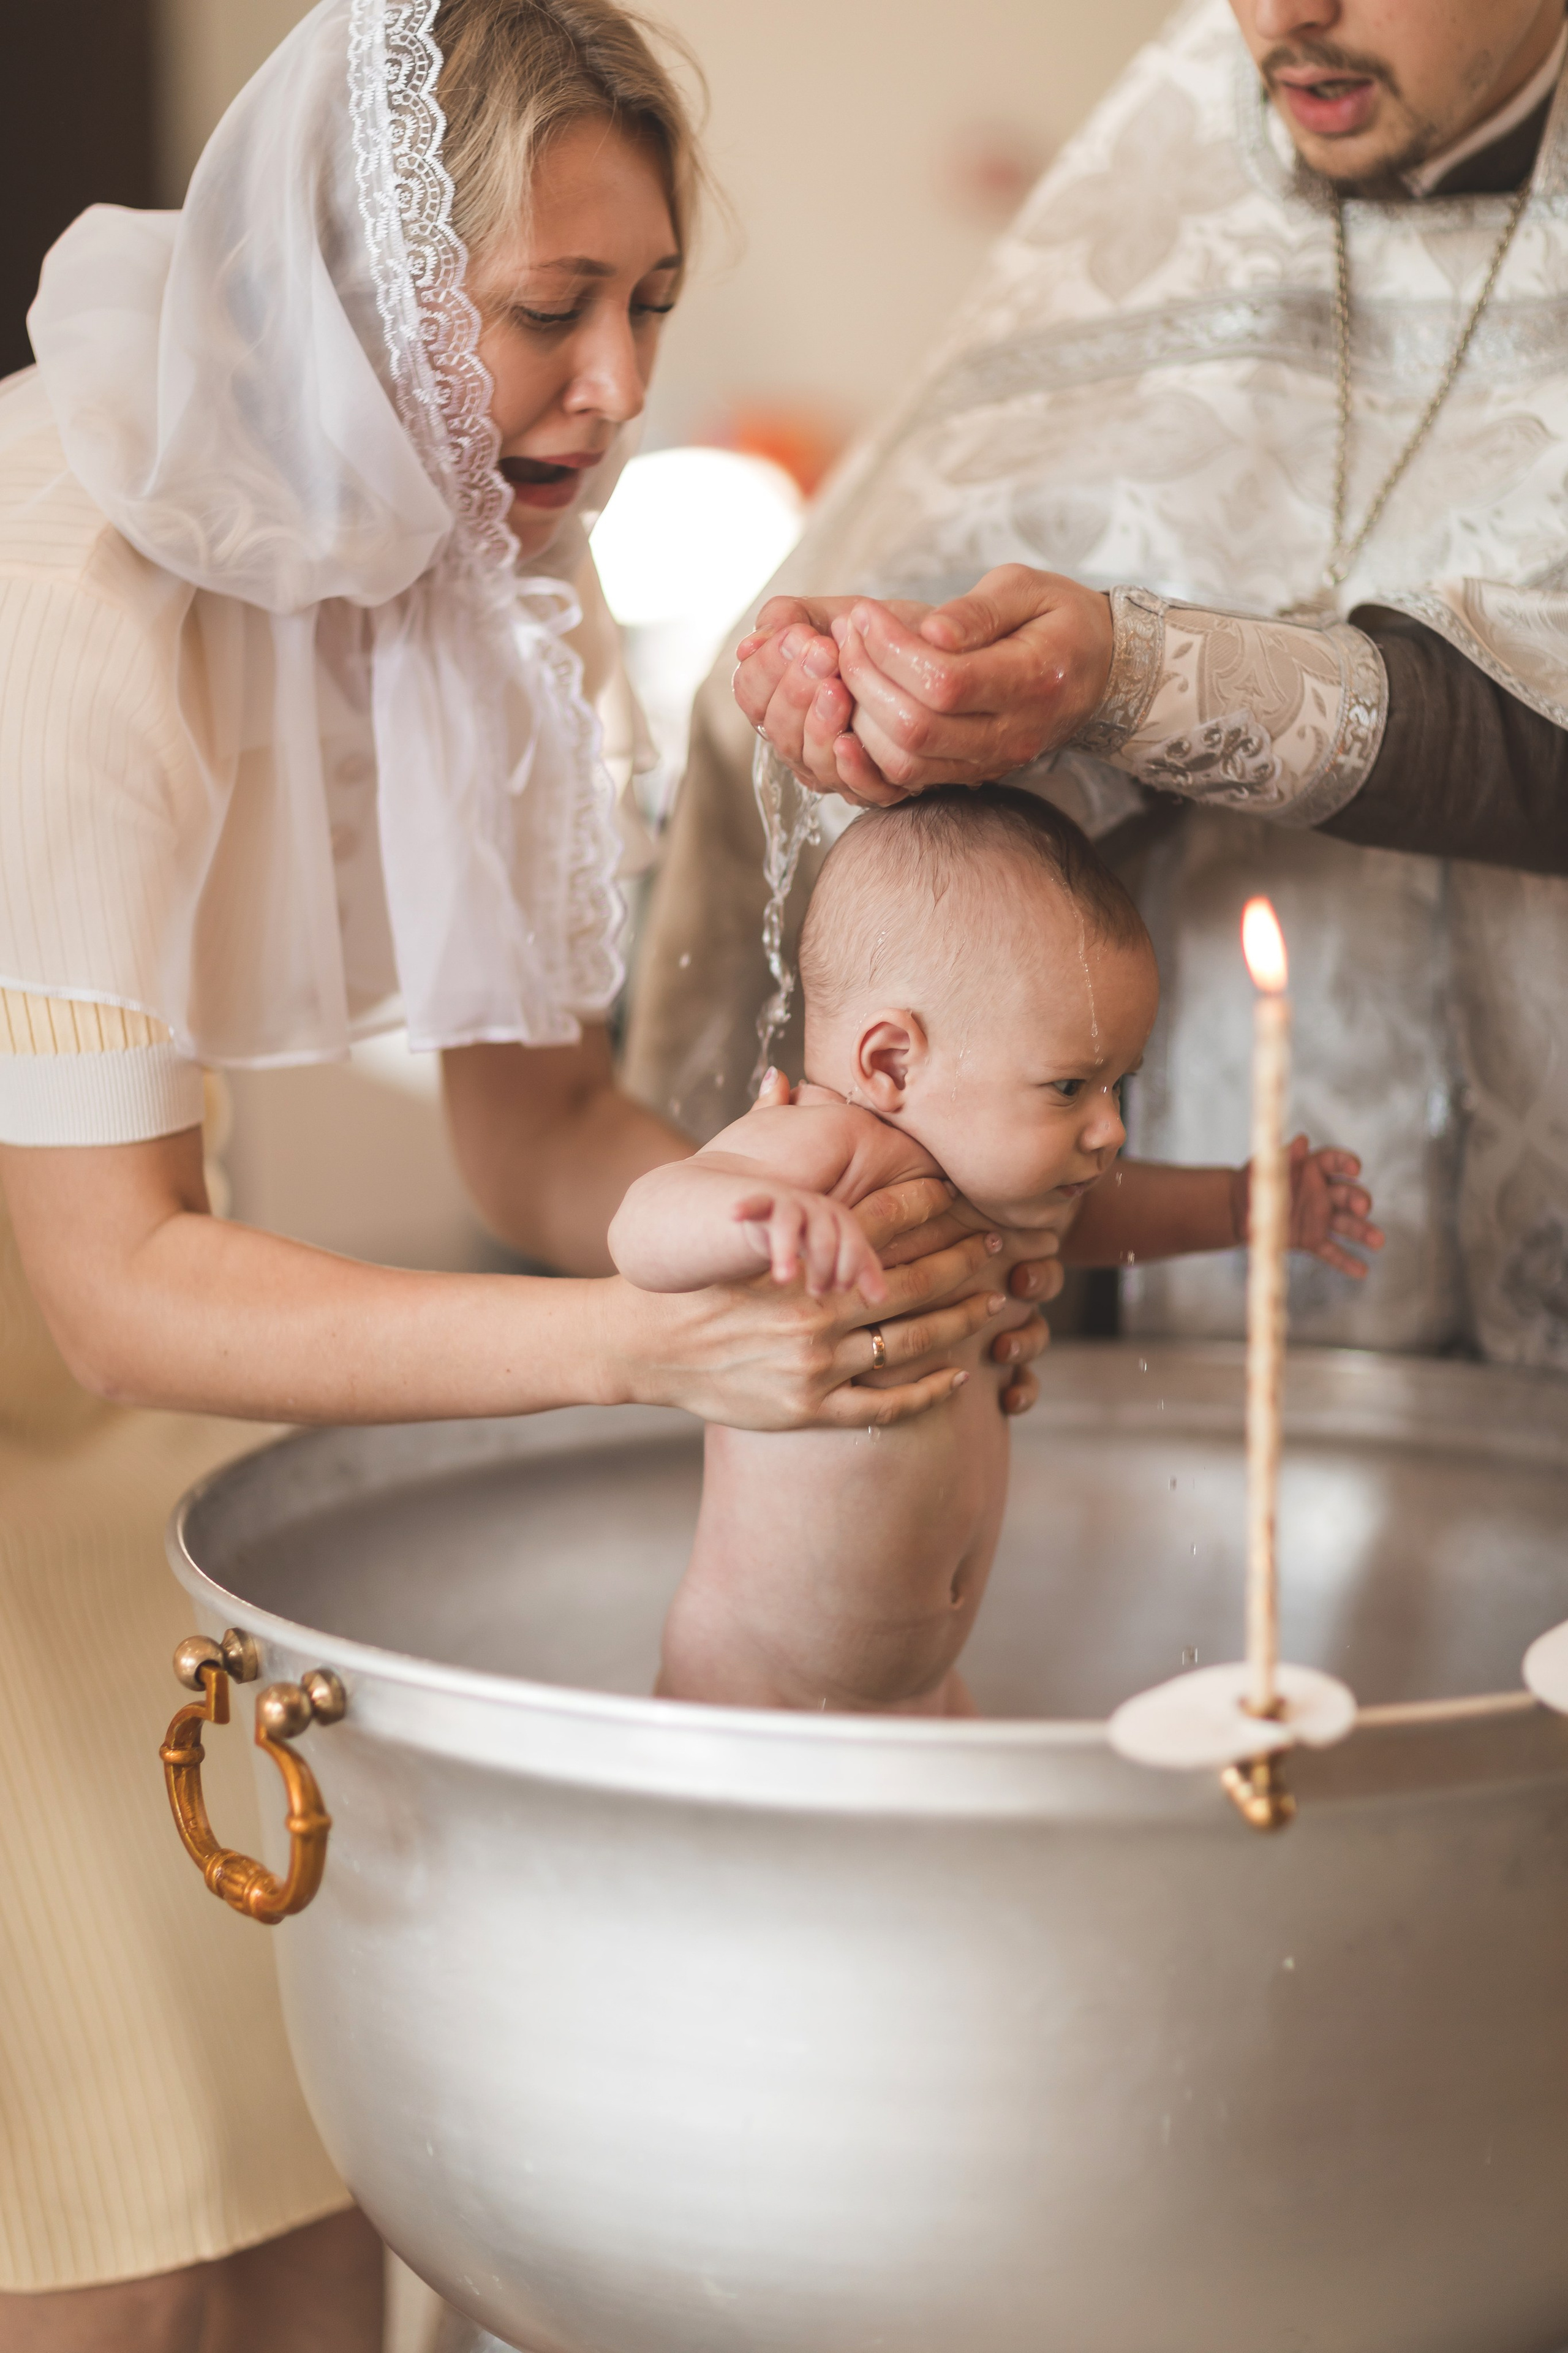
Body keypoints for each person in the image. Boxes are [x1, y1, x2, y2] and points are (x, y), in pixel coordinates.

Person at [0, 1, 1061, 2342]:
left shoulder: (501, 570)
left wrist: (822, 1247)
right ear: (365, 281)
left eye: (650, 302)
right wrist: (661, 1349)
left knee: (326, 2184)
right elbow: (109, 1282)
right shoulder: (63, 611)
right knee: (117, 2249)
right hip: (78, 1376)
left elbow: (541, 1130)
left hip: (143, 1435)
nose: (615, 385)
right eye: (542, 312)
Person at [626, 0, 1568, 1378]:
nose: (1284, 18)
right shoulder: (1182, 136)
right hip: (1162, 1212)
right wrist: (892, 701)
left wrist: (1131, 678)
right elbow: (877, 611)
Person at [612, 788, 1381, 1715]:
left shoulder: (1005, 1188)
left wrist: (1236, 1204)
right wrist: (758, 1220)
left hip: (923, 1689)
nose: (1109, 1128)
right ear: (892, 1063)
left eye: (1116, 1084)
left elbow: (1101, 1217)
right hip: (755, 1697)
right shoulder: (829, 1154)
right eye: (1070, 1086)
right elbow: (641, 1227)